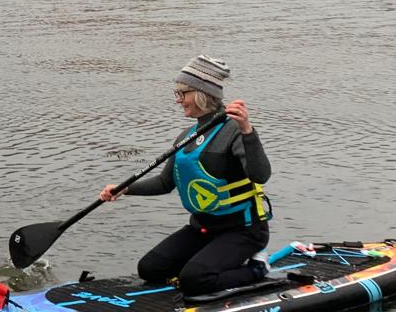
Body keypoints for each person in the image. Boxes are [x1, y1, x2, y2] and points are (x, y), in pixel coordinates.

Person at [99, 56, 274, 297]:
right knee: (150, 268)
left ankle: (257, 267)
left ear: (202, 93)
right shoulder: (187, 136)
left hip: (243, 230)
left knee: (195, 279)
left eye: (183, 93)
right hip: (203, 228)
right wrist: (125, 188)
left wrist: (247, 131)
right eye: (177, 93)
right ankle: (209, 262)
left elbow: (260, 175)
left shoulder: (234, 130)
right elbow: (165, 182)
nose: (178, 100)